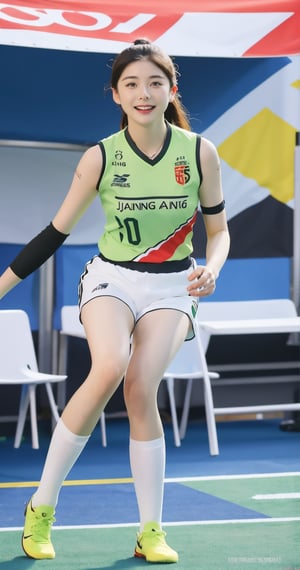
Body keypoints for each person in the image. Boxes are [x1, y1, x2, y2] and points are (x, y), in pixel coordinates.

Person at [0, 39, 230, 564]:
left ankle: (151, 530)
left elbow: (219, 232)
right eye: (131, 84)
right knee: (108, 366)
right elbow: (53, 235)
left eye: (154, 83)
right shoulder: (100, 156)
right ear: (116, 95)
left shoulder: (199, 152)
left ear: (171, 89)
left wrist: (211, 271)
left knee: (141, 387)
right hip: (112, 281)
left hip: (173, 287)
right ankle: (41, 506)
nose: (143, 93)